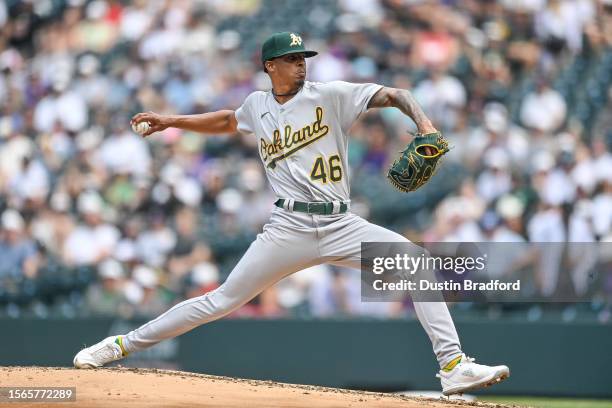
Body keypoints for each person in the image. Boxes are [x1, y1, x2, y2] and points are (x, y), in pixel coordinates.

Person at [73, 32, 509, 395]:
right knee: (221, 300)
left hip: (341, 222)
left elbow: (397, 93)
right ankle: (119, 345)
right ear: (270, 66)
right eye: (291, 59)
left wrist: (425, 125)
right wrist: (172, 120)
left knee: (415, 262)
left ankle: (452, 365)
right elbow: (228, 120)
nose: (301, 65)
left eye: (303, 58)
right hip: (289, 226)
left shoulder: (332, 95)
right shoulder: (257, 107)